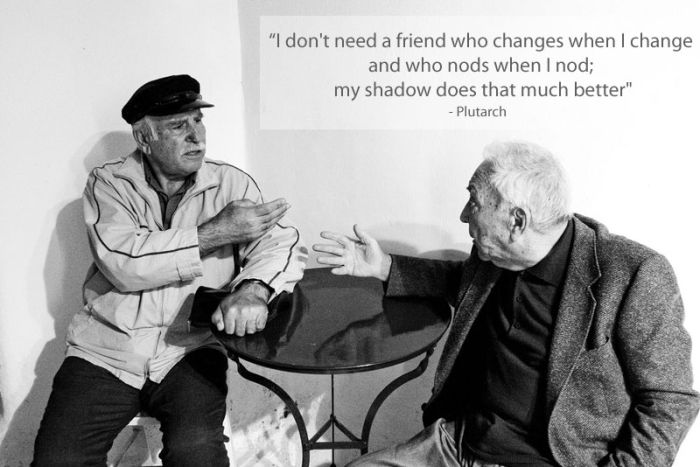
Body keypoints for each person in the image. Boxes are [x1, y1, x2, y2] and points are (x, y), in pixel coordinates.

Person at [313, 141, 699, 466]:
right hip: (457, 442)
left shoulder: (632, 274)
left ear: (517, 221)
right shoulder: (494, 257)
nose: (463, 215)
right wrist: (383, 266)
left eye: (474, 201)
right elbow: (458, 282)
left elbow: (669, 401)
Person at [32, 74, 307, 466]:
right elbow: (125, 262)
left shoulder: (230, 182)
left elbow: (280, 243)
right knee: (58, 459)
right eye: (179, 126)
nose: (197, 137)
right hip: (107, 350)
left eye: (198, 121)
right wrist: (218, 232)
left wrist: (253, 289)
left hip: (189, 349)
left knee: (197, 453)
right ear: (144, 139)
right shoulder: (109, 183)